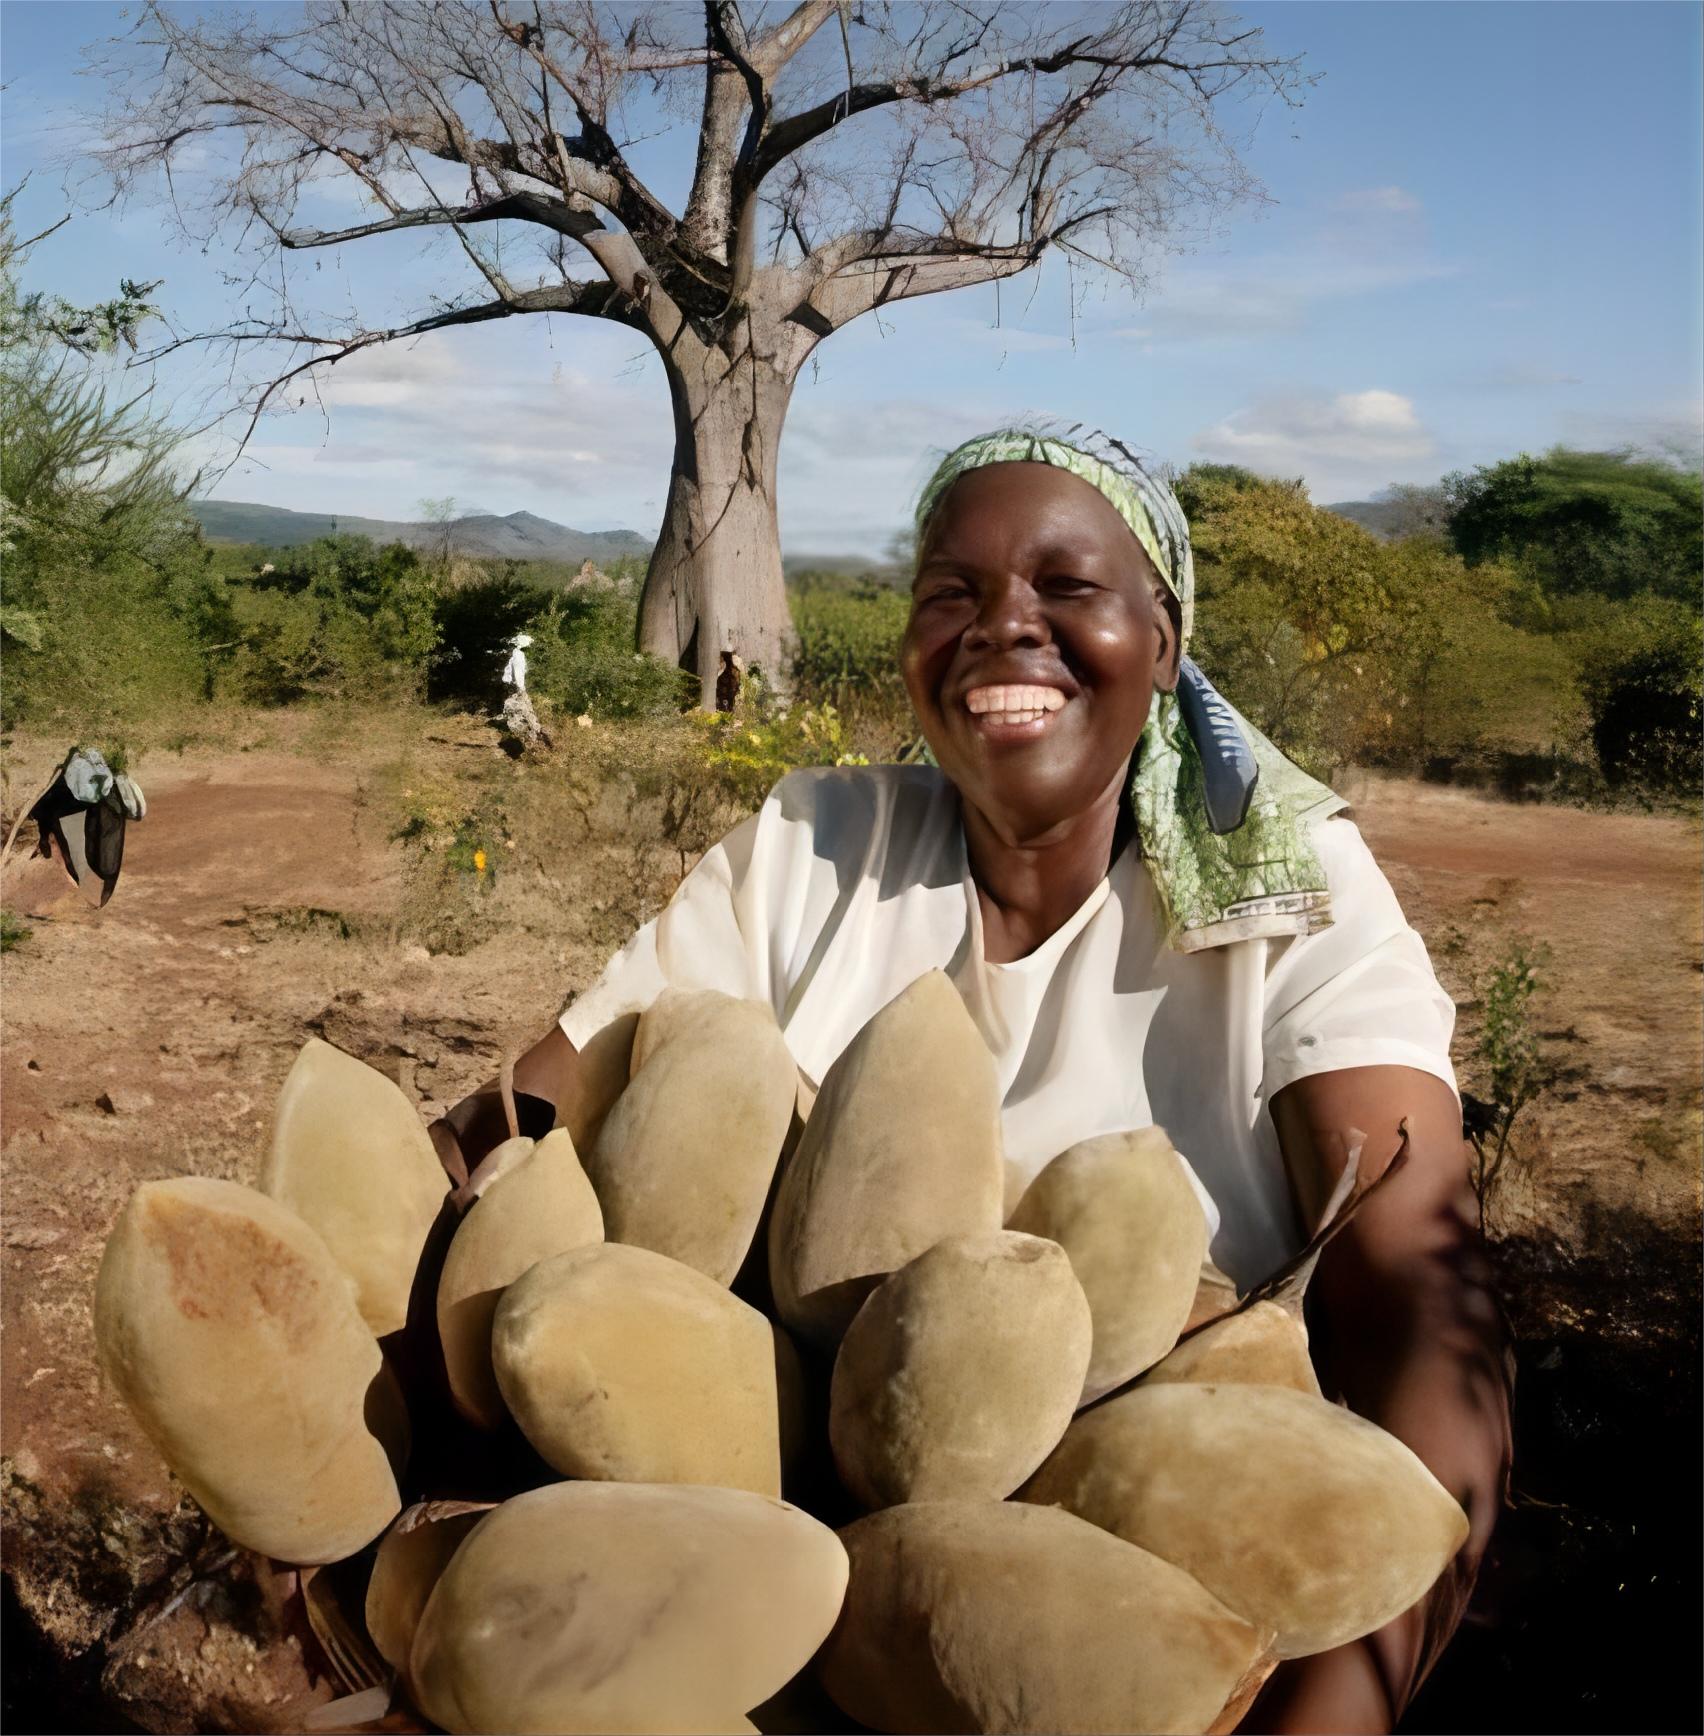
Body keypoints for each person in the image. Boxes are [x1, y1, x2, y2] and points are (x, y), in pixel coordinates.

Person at [434, 425, 1512, 1733]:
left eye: (1068, 589)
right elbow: (511, 1134)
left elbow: (1428, 1333)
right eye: (953, 593)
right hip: (760, 1598)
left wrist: (1331, 1716)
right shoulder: (812, 845)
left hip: (1128, 1654)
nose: (1004, 627)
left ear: (1164, 647)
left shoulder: (1292, 896)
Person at [499, 631, 551, 747]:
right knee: (523, 710)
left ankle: (531, 733)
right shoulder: (518, 654)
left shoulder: (516, 653)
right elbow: (518, 673)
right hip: (516, 686)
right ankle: (529, 736)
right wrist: (521, 687)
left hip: (514, 685)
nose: (529, 644)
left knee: (523, 710)